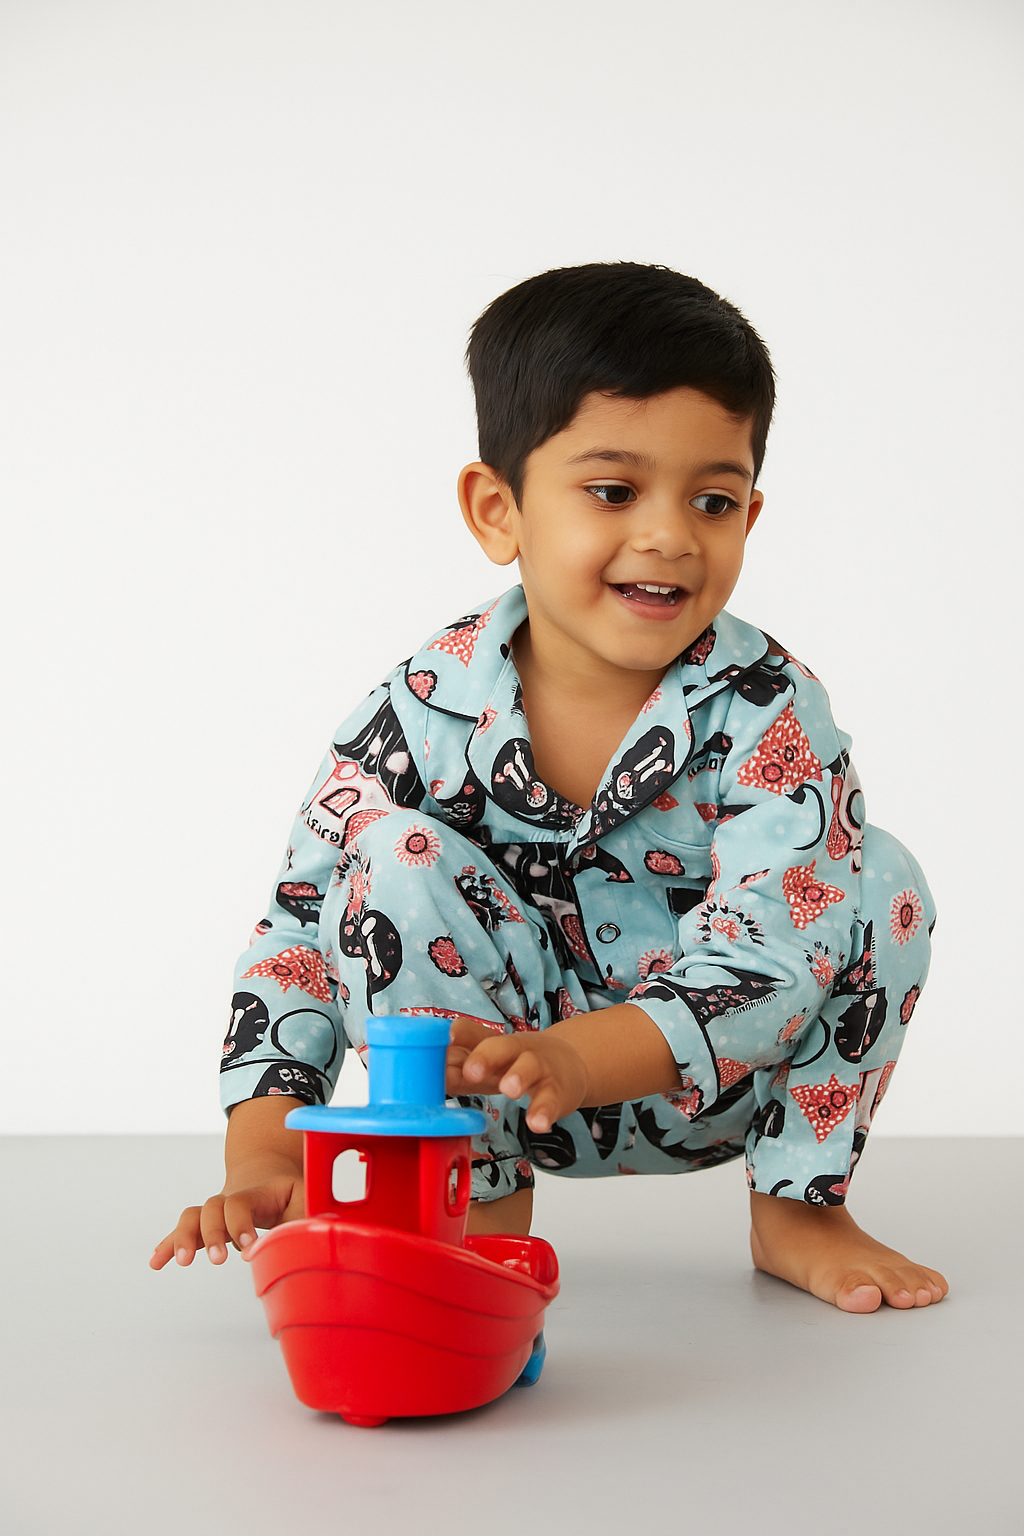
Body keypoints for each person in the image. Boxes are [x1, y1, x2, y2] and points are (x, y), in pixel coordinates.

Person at [152, 262, 947, 1313]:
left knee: (875, 876)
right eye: (613, 492)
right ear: (500, 511)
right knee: (389, 853)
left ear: (750, 517)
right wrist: (264, 1150)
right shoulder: (423, 706)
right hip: (482, 1092)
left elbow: (780, 951)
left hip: (710, 1075)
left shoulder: (770, 708)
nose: (669, 535)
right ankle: (472, 1216)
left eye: (711, 501)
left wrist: (579, 1055)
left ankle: (799, 1206)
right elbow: (300, 928)